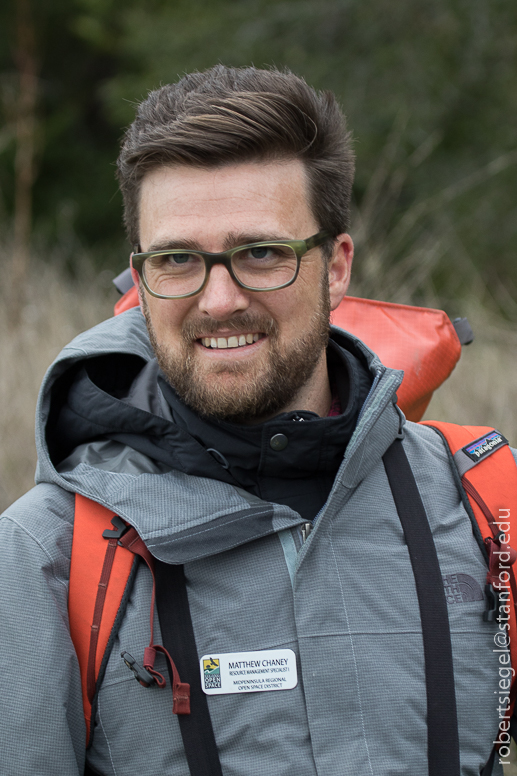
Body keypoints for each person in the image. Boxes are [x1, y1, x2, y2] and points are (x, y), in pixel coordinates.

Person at [0, 65, 510, 776]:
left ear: (335, 266)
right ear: (139, 275)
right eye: (177, 259)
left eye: (261, 253)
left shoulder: (490, 509)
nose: (217, 300)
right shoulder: (49, 555)